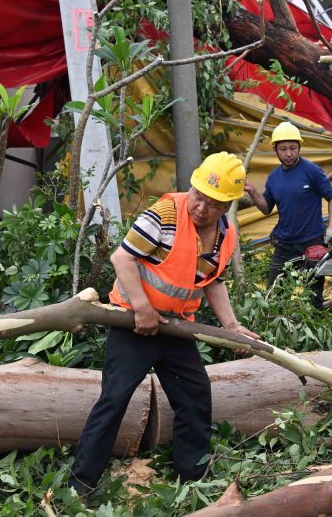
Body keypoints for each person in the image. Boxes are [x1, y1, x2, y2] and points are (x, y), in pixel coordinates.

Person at [69, 152, 259, 498]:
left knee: (195, 395)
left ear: (228, 204)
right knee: (114, 400)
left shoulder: (225, 234)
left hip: (176, 328)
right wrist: (142, 308)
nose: (201, 207)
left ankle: (193, 477)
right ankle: (81, 484)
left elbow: (213, 281)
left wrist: (231, 325)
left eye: (213, 204)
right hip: (133, 324)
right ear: (192, 186)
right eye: (198, 196)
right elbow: (122, 257)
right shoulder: (165, 214)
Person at [244, 121, 332, 309]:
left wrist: (331, 229)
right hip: (285, 245)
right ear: (275, 149)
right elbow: (266, 208)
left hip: (313, 242)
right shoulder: (274, 177)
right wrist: (253, 192)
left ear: (299, 147)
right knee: (274, 293)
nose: (288, 153)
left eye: (293, 148)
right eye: (283, 149)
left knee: (314, 297)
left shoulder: (311, 171)